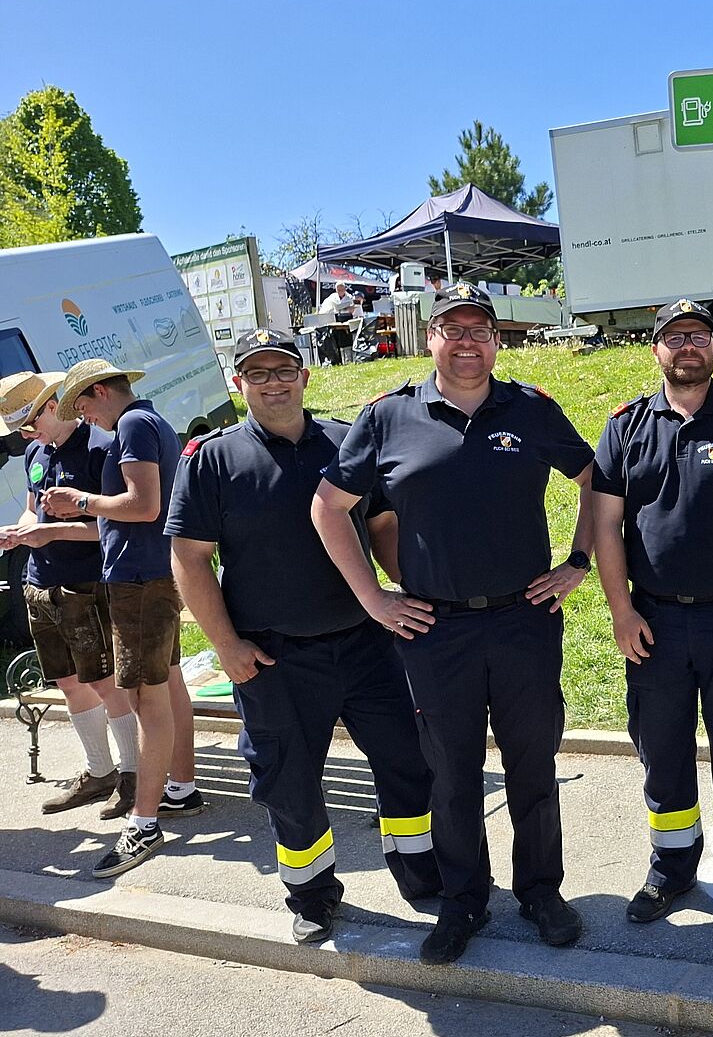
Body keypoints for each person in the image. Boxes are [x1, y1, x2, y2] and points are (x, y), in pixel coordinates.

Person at [312, 283, 595, 965]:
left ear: (496, 341)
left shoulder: (530, 409)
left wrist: (577, 562)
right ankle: (464, 899)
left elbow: (596, 480)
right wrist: (373, 598)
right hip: (435, 630)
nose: (467, 341)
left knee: (533, 764)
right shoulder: (386, 416)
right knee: (452, 774)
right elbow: (328, 508)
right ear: (430, 338)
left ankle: (541, 891)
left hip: (525, 619)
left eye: (479, 330)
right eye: (453, 329)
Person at [166, 329, 442, 945]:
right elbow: (189, 559)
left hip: (368, 645)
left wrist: (410, 591)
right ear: (239, 383)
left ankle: (422, 874)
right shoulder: (211, 459)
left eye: (284, 370)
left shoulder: (348, 441)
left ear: (305, 376)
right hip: (273, 656)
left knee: (407, 760)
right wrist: (227, 647)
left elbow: (383, 524)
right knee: (289, 783)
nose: (274, 383)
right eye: (258, 373)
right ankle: (312, 895)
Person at [593, 299, 713, 924]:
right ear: (656, 349)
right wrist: (622, 612)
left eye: (699, 336)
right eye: (675, 337)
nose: (688, 347)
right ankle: (671, 869)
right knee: (663, 753)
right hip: (652, 623)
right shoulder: (625, 426)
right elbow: (605, 526)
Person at [44, 360, 202, 879]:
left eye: (82, 405)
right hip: (149, 574)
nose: (83, 416)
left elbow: (144, 505)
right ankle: (180, 789)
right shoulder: (147, 421)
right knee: (164, 686)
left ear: (101, 390)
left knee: (144, 699)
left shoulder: (133, 423)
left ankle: (145, 822)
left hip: (140, 579)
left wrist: (81, 501)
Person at [0, 372, 139, 819]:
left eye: (28, 424)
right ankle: (99, 772)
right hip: (41, 582)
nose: (25, 436)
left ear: (52, 406)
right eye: (17, 429)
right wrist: (20, 531)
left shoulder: (101, 447)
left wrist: (51, 532)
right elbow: (32, 508)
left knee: (104, 682)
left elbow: (113, 523)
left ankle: (132, 776)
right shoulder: (36, 452)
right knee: (68, 682)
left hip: (86, 584)